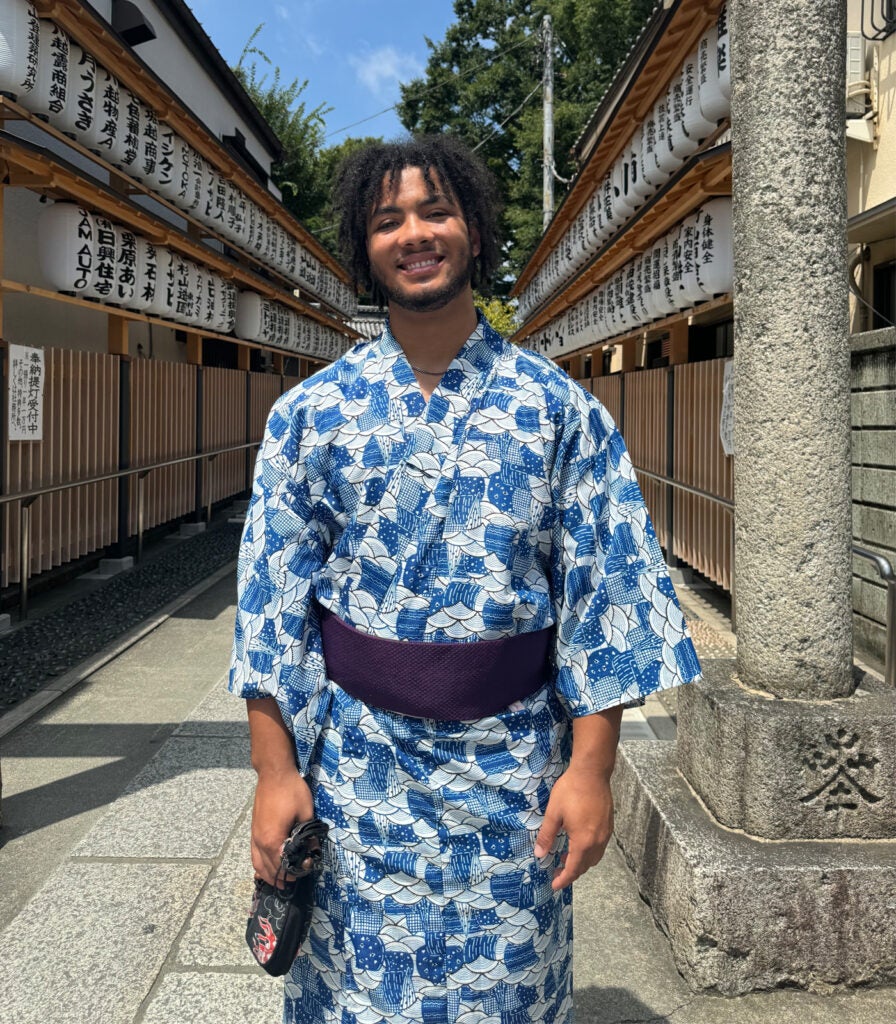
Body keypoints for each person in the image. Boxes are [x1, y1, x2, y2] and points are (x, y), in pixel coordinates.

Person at [230, 134, 701, 1024]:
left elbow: (607, 597)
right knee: (351, 996)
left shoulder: (560, 410)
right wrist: (272, 772)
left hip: (512, 774)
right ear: (365, 250)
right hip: (358, 775)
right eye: (388, 220)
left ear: (475, 232)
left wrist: (592, 772)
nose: (415, 233)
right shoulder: (310, 415)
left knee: (508, 994)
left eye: (436, 211)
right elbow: (270, 605)